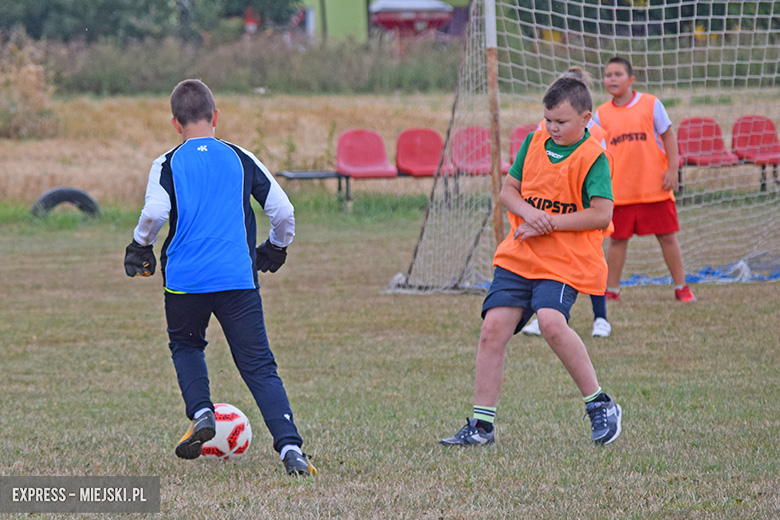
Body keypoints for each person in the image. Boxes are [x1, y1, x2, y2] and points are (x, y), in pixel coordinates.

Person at [123, 79, 317, 476]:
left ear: (175, 123)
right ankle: (291, 449)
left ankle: (201, 412)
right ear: (215, 116)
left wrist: (140, 245)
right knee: (259, 365)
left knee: (187, 345)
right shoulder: (241, 157)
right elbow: (283, 211)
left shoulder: (166, 163)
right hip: (237, 278)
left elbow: (155, 214)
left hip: (184, 280)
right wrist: (276, 247)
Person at [439, 76, 622, 447]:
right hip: (520, 254)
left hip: (565, 260)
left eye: (561, 122)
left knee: (552, 323)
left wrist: (550, 222)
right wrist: (528, 213)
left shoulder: (594, 157)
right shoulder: (534, 141)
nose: (552, 127)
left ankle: (600, 404)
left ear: (586, 118)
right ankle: (482, 427)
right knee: (492, 329)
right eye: (548, 119)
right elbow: (509, 190)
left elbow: (602, 214)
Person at [593, 56, 696, 302]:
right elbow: (596, 151)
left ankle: (681, 287)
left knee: (667, 237)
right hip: (620, 192)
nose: (612, 79)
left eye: (618, 74)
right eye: (608, 75)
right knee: (617, 241)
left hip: (654, 188)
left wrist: (672, 169)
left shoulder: (651, 104)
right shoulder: (601, 114)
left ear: (631, 79)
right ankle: (612, 290)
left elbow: (668, 136)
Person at [522, 66, 612, 338]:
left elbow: (600, 177)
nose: (554, 126)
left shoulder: (595, 136)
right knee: (546, 262)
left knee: (592, 261)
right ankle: (543, 314)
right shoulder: (544, 131)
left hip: (583, 213)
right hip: (552, 211)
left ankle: (600, 317)